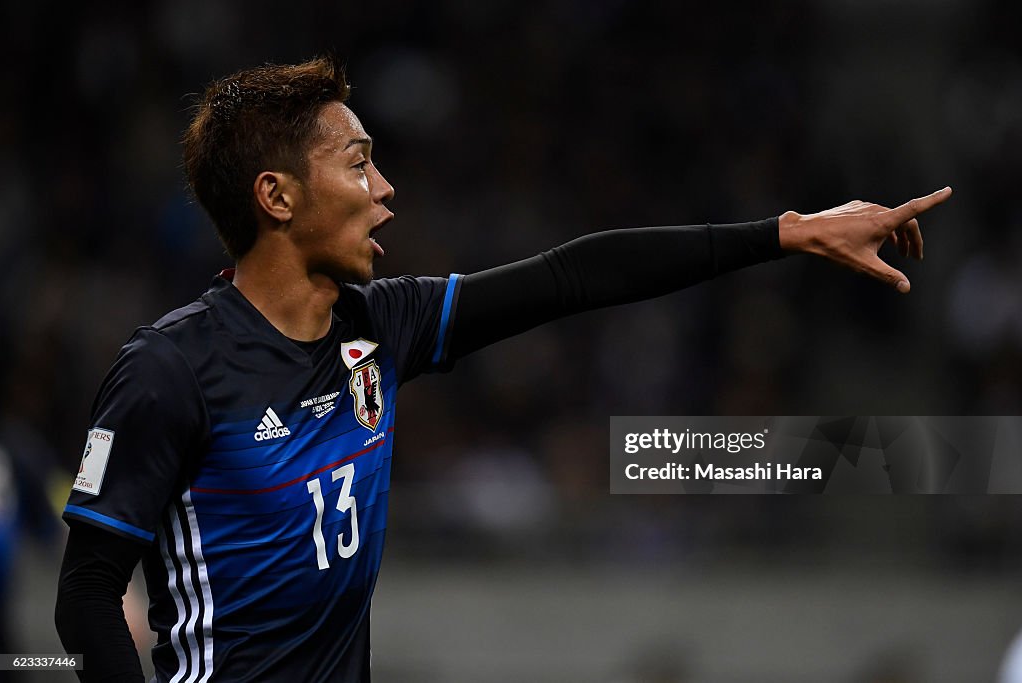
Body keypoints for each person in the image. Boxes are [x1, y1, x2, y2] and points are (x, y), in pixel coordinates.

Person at [53, 56, 951, 682]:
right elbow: (86, 598)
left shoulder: (379, 326)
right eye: (359, 162)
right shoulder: (170, 371)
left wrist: (786, 232)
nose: (385, 188)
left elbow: (572, 276)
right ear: (277, 195)